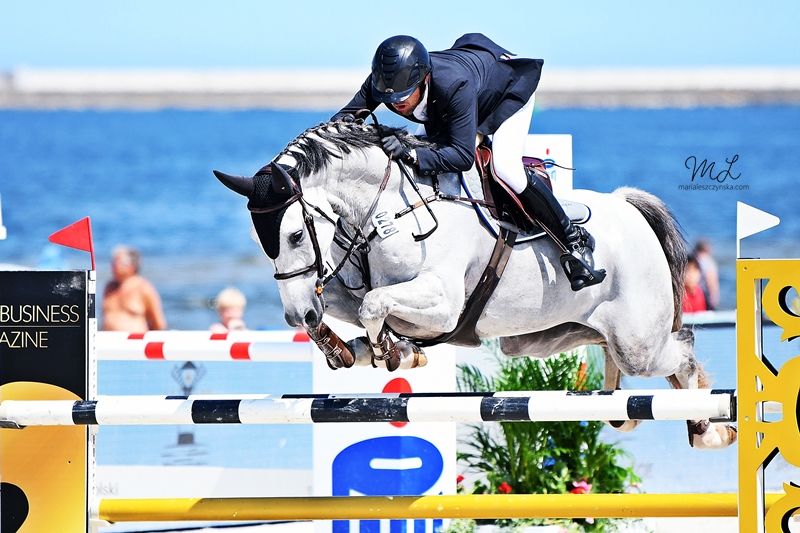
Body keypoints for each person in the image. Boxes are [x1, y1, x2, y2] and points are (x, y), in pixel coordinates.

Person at [332, 33, 605, 291]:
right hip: (457, 97)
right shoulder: (384, 81)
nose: (395, 104)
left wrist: (411, 153)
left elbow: (462, 156)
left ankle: (573, 240)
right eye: (388, 99)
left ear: (424, 79)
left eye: (403, 97)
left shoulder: (454, 84)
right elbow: (344, 120)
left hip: (506, 92)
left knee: (506, 169)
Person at [102, 246, 167, 332]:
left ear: (132, 266)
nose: (113, 266)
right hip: (109, 339)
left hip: (135, 338)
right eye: (113, 262)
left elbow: (158, 323)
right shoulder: (109, 287)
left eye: (118, 262)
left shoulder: (143, 287)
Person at [693, 238, 720, 310]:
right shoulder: (709, 261)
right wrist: (714, 298)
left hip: (694, 292)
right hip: (705, 294)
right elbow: (711, 281)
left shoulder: (693, 259)